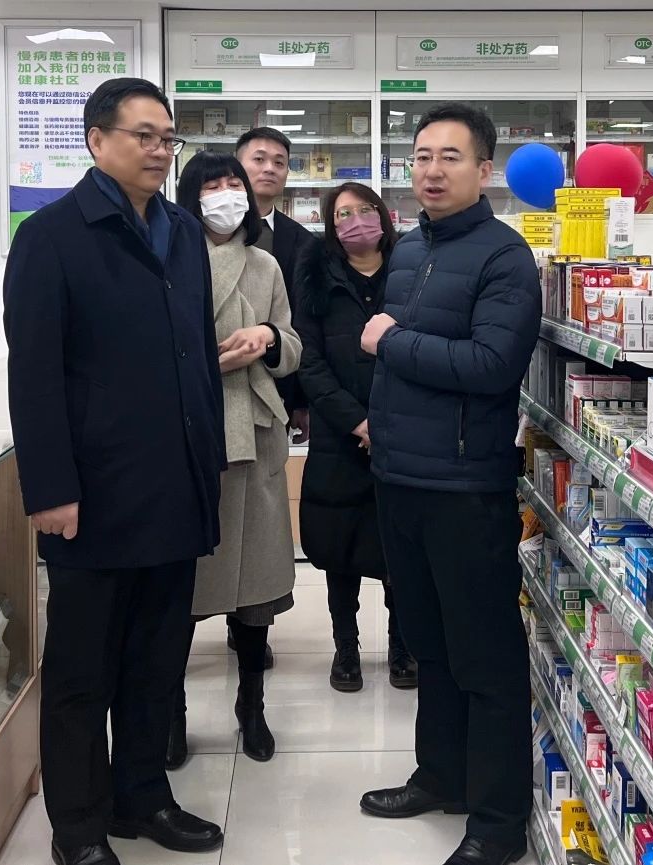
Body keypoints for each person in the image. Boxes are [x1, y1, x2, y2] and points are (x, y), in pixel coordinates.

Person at [3, 78, 226, 865]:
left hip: (176, 485)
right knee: (81, 670)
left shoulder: (182, 231)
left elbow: (197, 355)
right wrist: (50, 487)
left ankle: (143, 797)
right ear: (97, 140)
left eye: (168, 137)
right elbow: (33, 372)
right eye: (143, 135)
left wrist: (207, 466)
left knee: (156, 660)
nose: (160, 151)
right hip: (94, 493)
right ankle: (78, 824)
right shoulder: (52, 236)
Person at [357, 103, 541, 865]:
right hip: (400, 477)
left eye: (450, 157)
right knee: (428, 642)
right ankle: (440, 775)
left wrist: (393, 341)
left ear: (484, 170)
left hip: (466, 486)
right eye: (422, 156)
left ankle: (497, 820)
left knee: (484, 655)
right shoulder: (410, 249)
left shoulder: (505, 257)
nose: (432, 170)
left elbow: (492, 366)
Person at [168, 150, 301, 769]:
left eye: (233, 183)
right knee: (181, 588)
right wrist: (203, 358)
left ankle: (252, 705)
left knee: (254, 588)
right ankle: (170, 712)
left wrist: (267, 339)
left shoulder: (265, 263)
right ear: (190, 197)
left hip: (256, 431)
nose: (226, 194)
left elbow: (292, 343)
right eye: (212, 184)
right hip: (192, 432)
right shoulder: (169, 257)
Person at [292, 181, 416, 693]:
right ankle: (346, 648)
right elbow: (309, 362)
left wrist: (385, 422)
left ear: (384, 216)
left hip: (402, 431)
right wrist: (357, 423)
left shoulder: (409, 271)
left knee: (399, 548)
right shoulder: (315, 276)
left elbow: (420, 348)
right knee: (339, 548)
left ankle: (403, 646)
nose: (356, 221)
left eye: (365, 210)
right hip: (339, 437)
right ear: (330, 225)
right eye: (343, 214)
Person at [236, 127, 314, 441]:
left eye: (279, 162)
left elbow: (305, 323)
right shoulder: (202, 230)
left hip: (276, 389)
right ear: (237, 166)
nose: (270, 168)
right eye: (259, 159)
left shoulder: (304, 242)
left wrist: (302, 399)